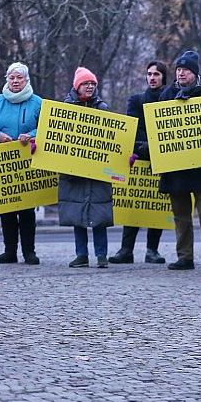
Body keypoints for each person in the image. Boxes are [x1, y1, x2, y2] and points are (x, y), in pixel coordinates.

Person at [158, 51, 201, 272]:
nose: (181, 73)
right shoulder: (167, 95)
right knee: (180, 214)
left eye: (185, 70)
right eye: (178, 70)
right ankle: (184, 256)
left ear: (195, 73)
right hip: (176, 166)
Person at [110, 61, 169, 264]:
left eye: (157, 74)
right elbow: (133, 128)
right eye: (149, 74)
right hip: (139, 159)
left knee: (156, 204)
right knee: (133, 204)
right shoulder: (136, 100)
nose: (152, 77)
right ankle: (126, 249)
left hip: (161, 161)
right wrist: (149, 146)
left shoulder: (170, 100)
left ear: (163, 78)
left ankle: (152, 250)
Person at [60, 68, 116, 268]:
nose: (90, 86)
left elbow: (113, 137)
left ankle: (102, 255)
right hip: (74, 172)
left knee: (99, 215)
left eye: (92, 83)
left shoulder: (103, 108)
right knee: (78, 215)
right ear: (77, 86)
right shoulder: (64, 109)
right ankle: (81, 255)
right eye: (86, 83)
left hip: (98, 171)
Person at [0, 62, 43, 264]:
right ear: (7, 80)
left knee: (27, 209)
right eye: (12, 77)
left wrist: (30, 135)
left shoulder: (37, 103)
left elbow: (46, 127)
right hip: (3, 163)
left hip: (28, 161)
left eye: (19, 77)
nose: (15, 81)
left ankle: (29, 251)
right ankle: (9, 251)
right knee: (8, 208)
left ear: (26, 80)